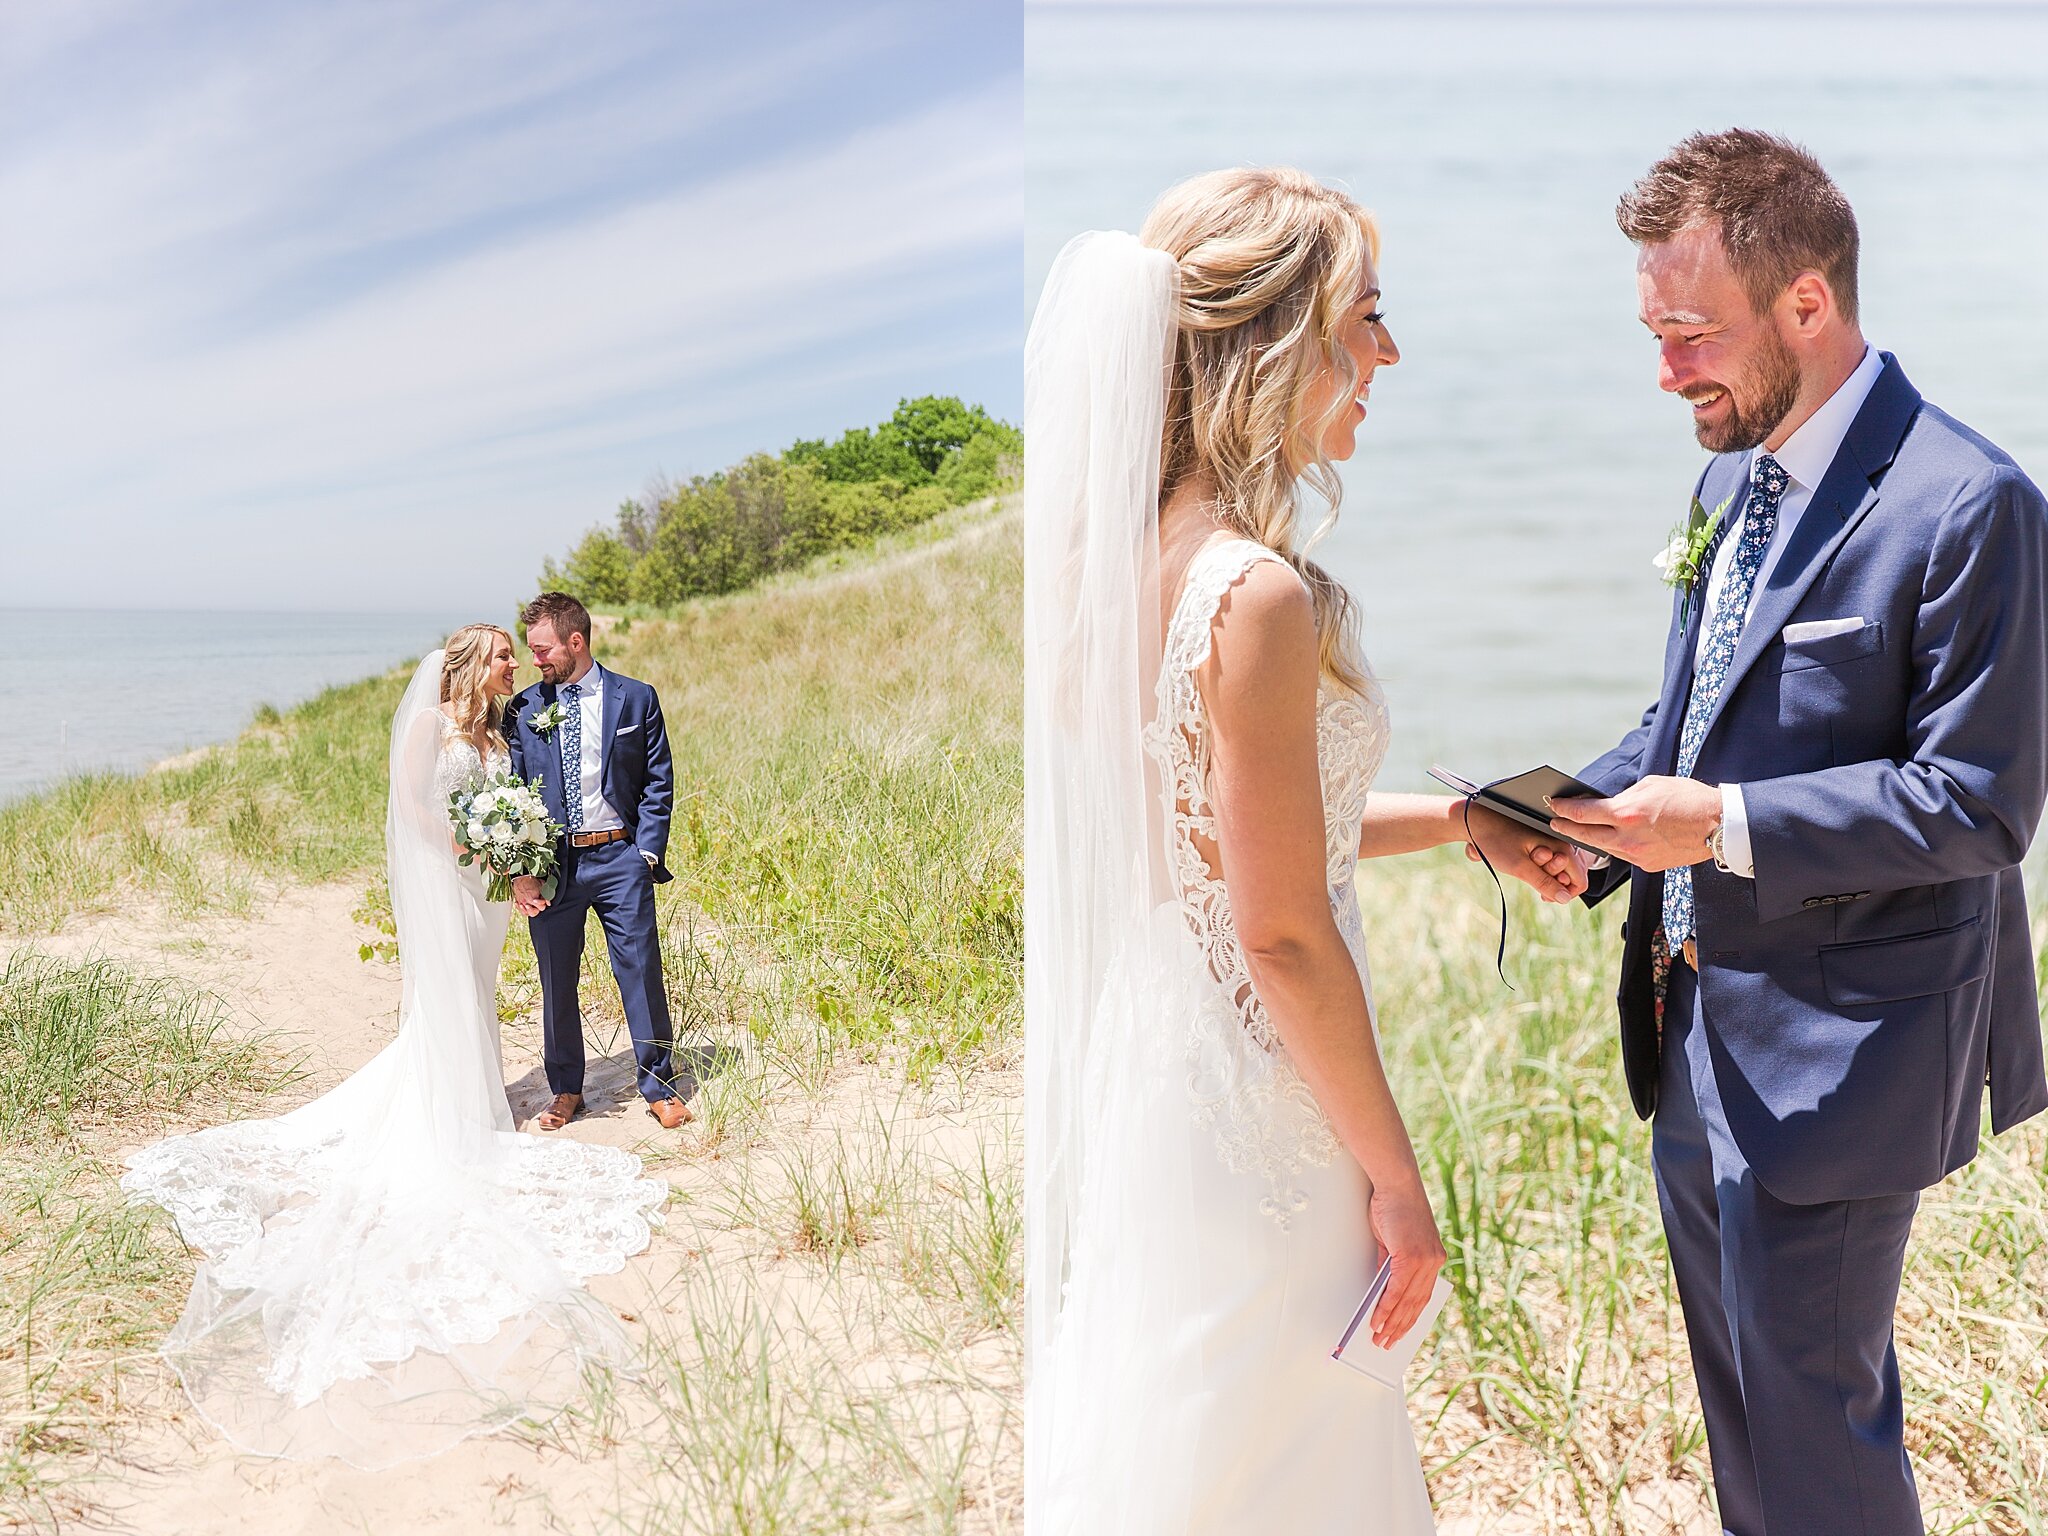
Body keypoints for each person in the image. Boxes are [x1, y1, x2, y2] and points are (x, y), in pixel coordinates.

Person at [1023, 168, 1584, 1536]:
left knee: (1201, 1431)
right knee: (1287, 1447)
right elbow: (1277, 927)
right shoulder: (1254, 594)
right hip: (1266, 1098)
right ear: (1275, 338)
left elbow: (1215, 852)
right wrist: (1398, 1180)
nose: (1388, 351)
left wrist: (1462, 820)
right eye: (1368, 315)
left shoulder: (1116, 569)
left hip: (1164, 1070)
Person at [1551, 129, 2048, 1535]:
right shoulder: (1728, 484)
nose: (1667, 373)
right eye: (1654, 335)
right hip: (1693, 1022)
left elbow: (1980, 803)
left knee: (1819, 1425)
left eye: (1691, 335)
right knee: (1745, 1415)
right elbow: (1690, 719)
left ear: (1808, 304)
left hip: (1850, 1049)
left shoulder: (1973, 505)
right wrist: (1584, 827)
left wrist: (1715, 825)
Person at [122, 623, 667, 1468]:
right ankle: (442, 1106)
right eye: (501, 655)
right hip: (450, 878)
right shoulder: (429, 725)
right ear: (464, 663)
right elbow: (415, 806)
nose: (513, 666)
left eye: (518, 655)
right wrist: (478, 848)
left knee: (477, 995)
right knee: (446, 995)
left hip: (490, 889)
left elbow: (514, 793)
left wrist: (508, 857)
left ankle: (475, 1096)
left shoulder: (496, 728)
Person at [505, 591, 691, 1131]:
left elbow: (658, 780)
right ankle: (566, 1089)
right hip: (555, 867)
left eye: (542, 649)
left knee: (640, 970)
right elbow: (514, 792)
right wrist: (523, 868)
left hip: (620, 859)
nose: (534, 659)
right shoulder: (524, 710)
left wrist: (646, 852)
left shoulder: (635, 699)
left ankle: (658, 1083)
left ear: (576, 641)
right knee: (556, 979)